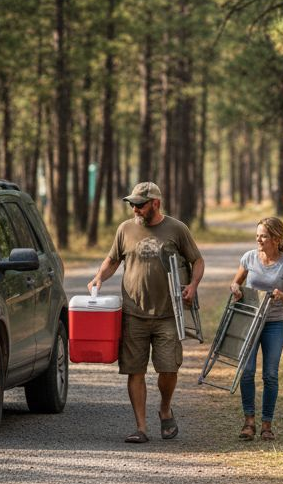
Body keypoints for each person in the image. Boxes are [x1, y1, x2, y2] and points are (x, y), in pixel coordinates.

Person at [88, 182, 205, 443]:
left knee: (169, 369)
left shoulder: (177, 229)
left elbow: (197, 260)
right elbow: (113, 260)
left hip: (167, 314)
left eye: (140, 204)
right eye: (132, 204)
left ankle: (165, 408)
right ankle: (141, 427)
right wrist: (99, 278)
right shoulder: (125, 229)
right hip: (134, 314)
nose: (135, 209)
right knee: (135, 370)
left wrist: (193, 285)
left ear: (155, 203)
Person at [229, 217, 283, 441]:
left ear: (276, 239)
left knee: (270, 375)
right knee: (247, 371)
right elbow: (236, 282)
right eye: (257, 235)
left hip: (274, 324)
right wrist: (235, 288)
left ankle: (267, 425)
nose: (258, 240)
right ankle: (249, 422)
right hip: (250, 321)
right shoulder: (249, 257)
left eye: (264, 236)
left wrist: (281, 295)